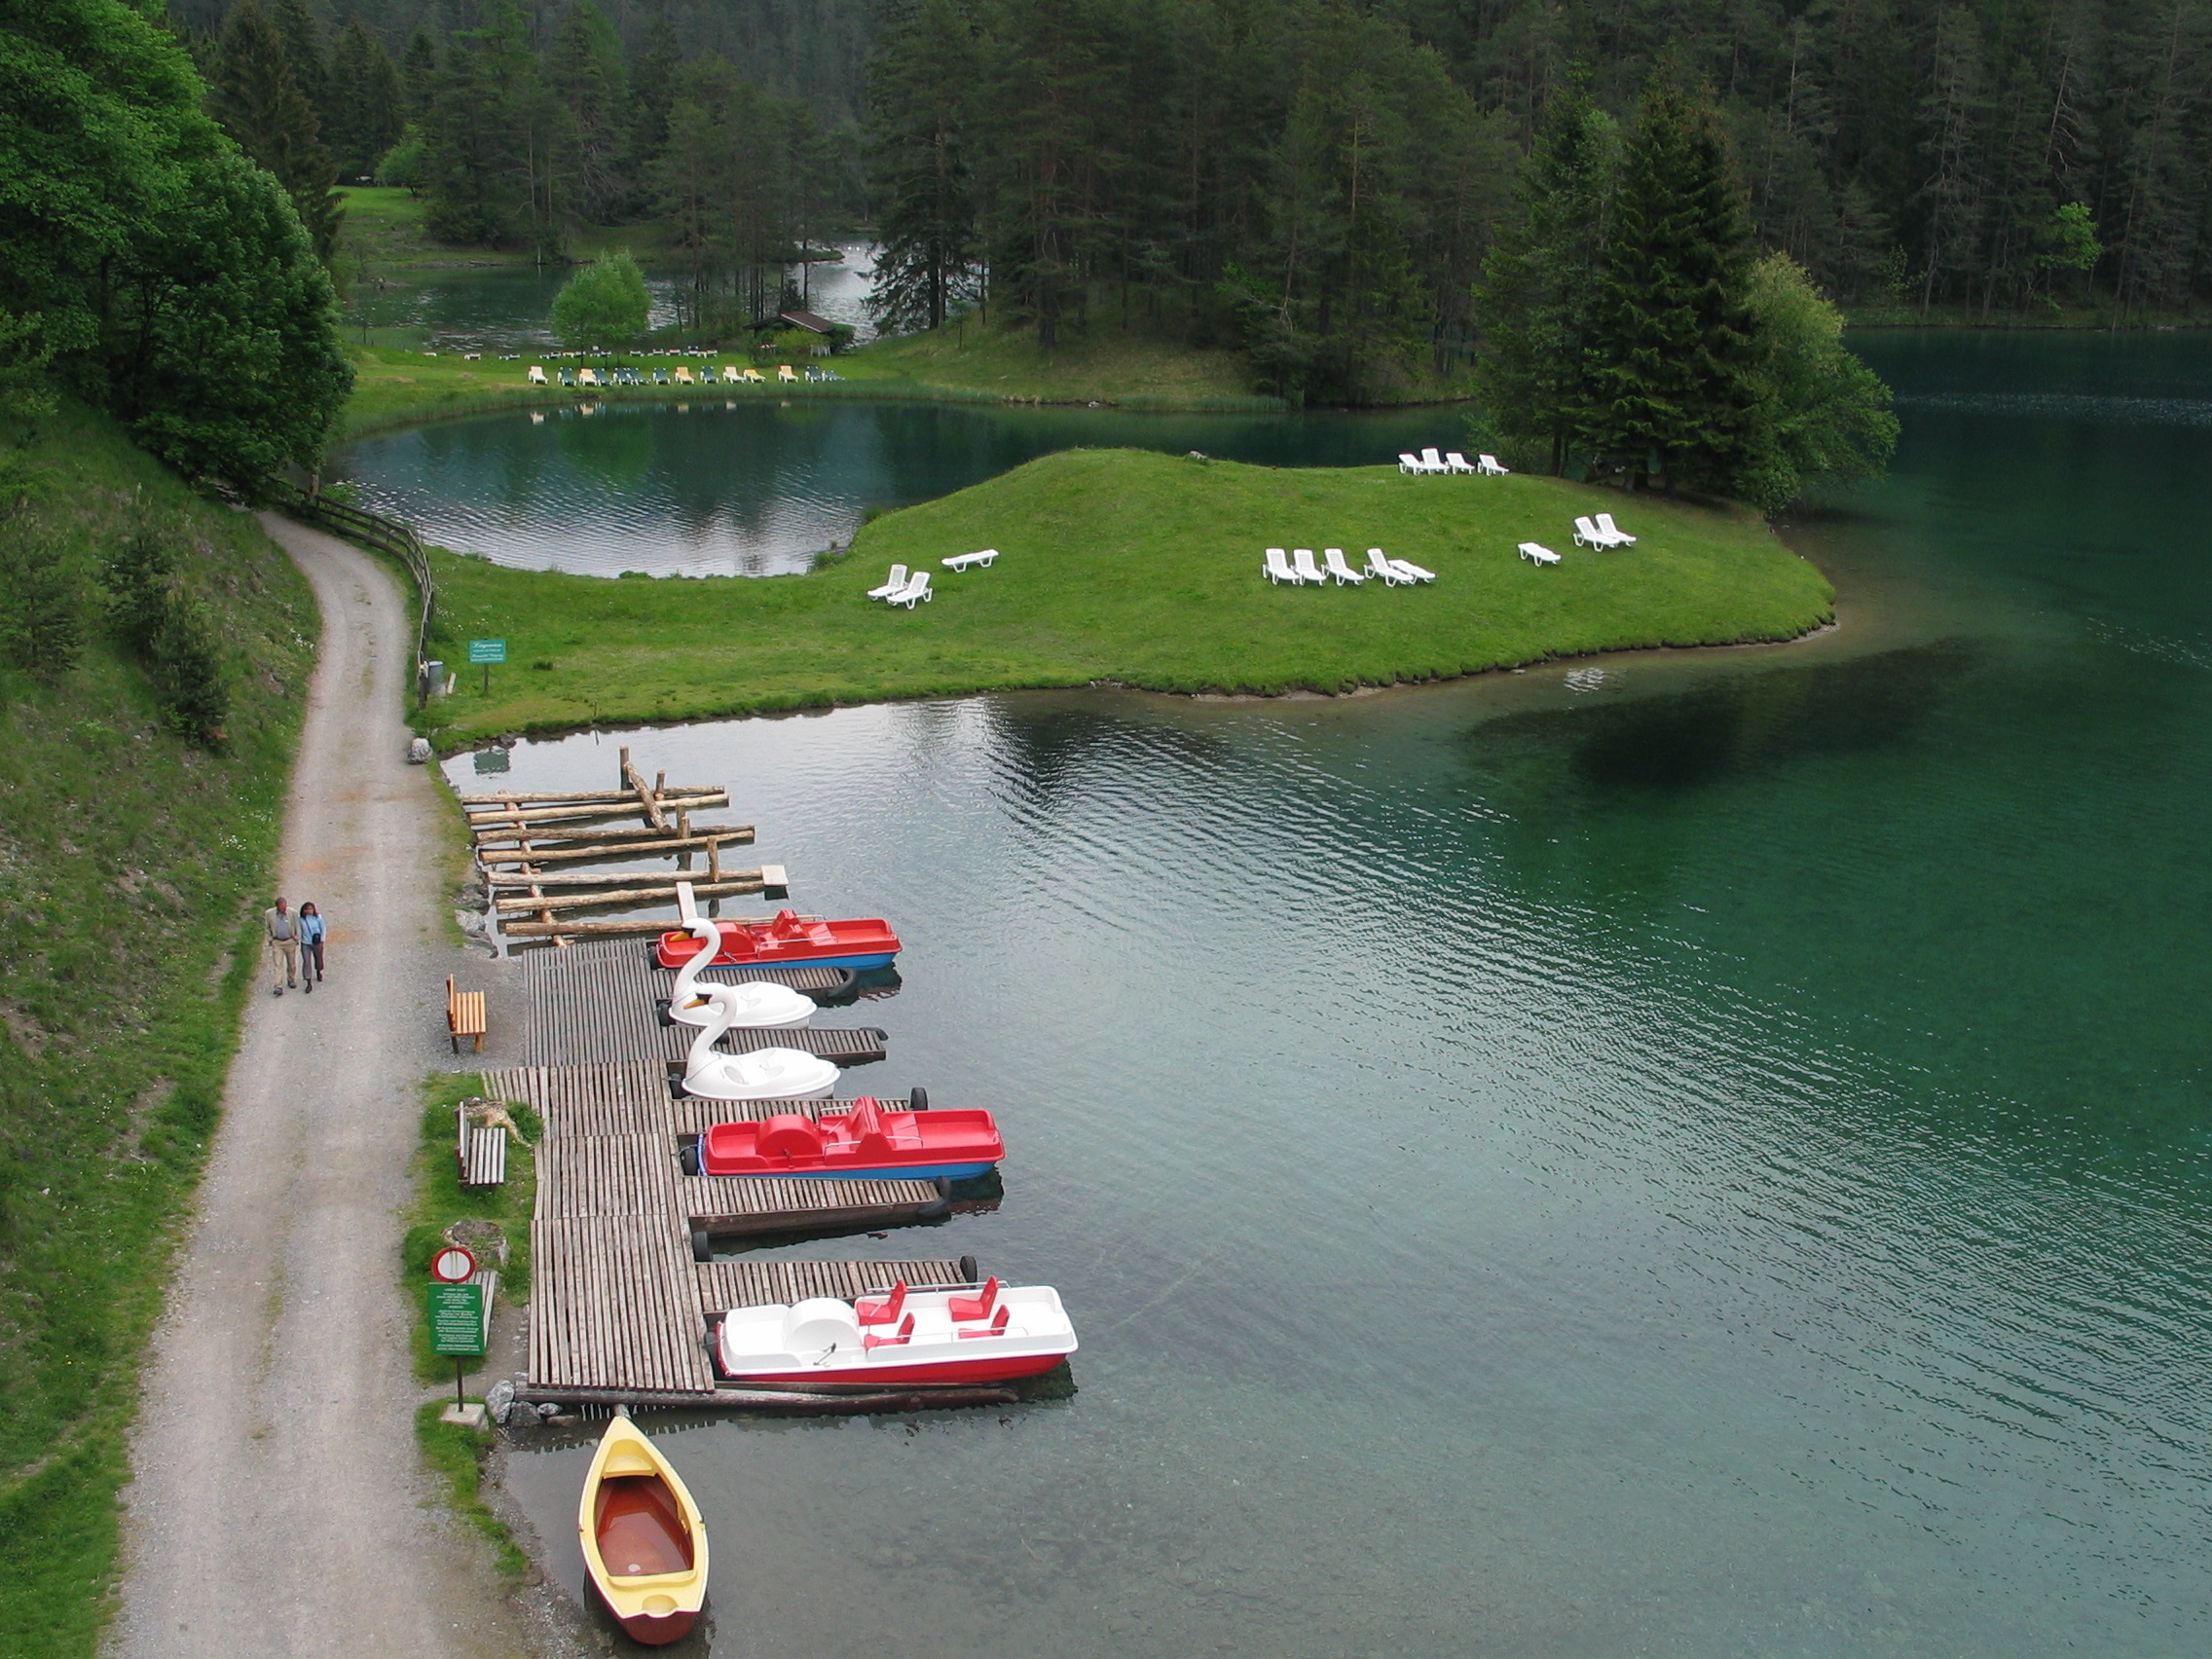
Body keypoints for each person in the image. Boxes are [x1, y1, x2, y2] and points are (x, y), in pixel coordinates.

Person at [262, 897, 299, 995]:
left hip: (290, 941)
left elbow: (297, 925)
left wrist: (296, 938)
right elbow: (267, 927)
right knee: (278, 964)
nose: (284, 909)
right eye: (282, 907)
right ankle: (278, 985)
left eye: (285, 906)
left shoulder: (293, 913)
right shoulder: (269, 914)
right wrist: (270, 939)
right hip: (277, 942)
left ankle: (291, 979)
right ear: (277, 906)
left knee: (291, 963)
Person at [297, 901, 327, 992]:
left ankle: (318, 971)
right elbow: (299, 930)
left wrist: (322, 939)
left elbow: (323, 928)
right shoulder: (301, 920)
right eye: (307, 909)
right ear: (304, 910)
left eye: (311, 909)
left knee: (318, 958)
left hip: (317, 942)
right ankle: (308, 981)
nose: (309, 911)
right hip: (305, 942)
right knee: (306, 961)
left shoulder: (318, 918)